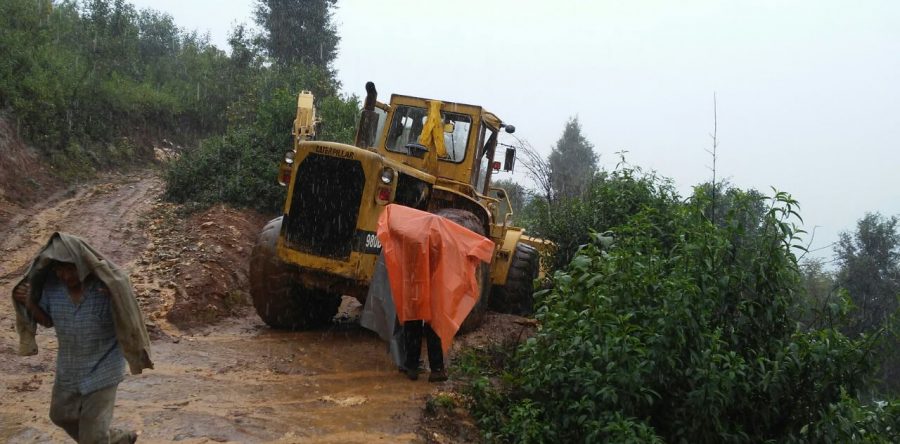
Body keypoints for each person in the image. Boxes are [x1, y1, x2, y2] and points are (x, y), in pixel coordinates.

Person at [12, 232, 152, 444]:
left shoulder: (106, 288)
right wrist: (30, 303)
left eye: (71, 268)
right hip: (69, 368)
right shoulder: (52, 288)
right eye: (59, 269)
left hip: (103, 369)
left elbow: (127, 321)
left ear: (83, 264)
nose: (65, 276)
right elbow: (49, 321)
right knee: (59, 415)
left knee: (92, 438)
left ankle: (101, 438)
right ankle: (117, 438)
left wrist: (115, 300)